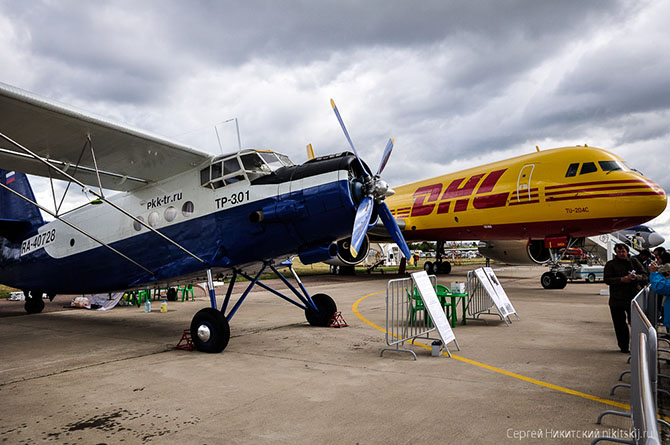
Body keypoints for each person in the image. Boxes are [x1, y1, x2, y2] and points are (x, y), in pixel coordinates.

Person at [603, 243, 648, 353]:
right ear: (616, 252)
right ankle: (623, 347)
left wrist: (635, 277)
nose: (621, 254)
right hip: (617, 299)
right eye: (619, 252)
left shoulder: (634, 262)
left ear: (627, 251)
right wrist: (621, 280)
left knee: (636, 324)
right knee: (620, 325)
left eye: (623, 251)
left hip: (633, 298)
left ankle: (638, 346)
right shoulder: (610, 264)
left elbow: (645, 275)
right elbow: (607, 279)